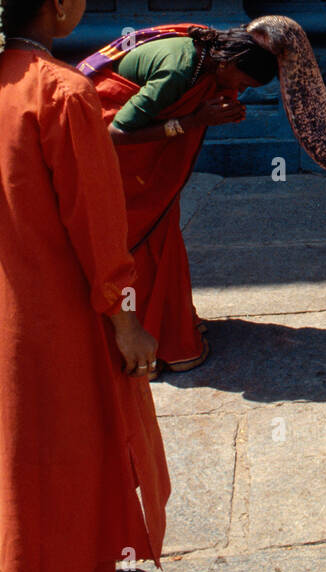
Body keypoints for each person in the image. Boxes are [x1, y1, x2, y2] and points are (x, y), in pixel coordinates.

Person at [0, 0, 170, 572]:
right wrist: (126, 321)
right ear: (61, 2)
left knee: (12, 459)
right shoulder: (63, 95)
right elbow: (103, 235)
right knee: (68, 463)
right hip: (61, 321)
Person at [77, 23, 278, 371]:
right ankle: (141, 339)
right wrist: (193, 120)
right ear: (228, 63)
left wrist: (209, 113)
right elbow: (114, 133)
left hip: (137, 156)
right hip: (114, 159)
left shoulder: (207, 52)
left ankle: (167, 326)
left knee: (161, 234)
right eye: (242, 84)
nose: (239, 92)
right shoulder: (178, 71)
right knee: (139, 241)